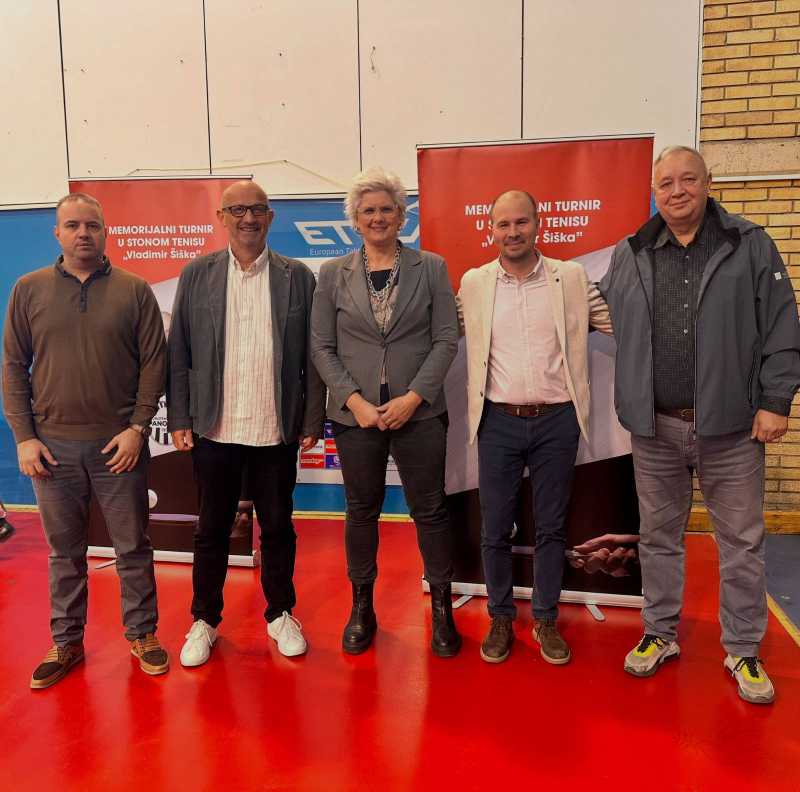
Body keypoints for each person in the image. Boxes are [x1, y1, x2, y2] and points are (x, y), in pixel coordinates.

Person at [600, 145, 800, 705]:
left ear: (708, 182)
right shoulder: (631, 251)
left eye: (688, 179)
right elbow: (611, 321)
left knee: (741, 544)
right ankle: (660, 633)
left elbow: (782, 325)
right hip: (655, 429)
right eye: (666, 183)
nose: (677, 191)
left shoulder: (749, 244)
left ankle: (743, 648)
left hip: (732, 430)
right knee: (658, 539)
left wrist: (776, 400)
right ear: (654, 191)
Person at [3, 192, 169, 688]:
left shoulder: (134, 290)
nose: (83, 233)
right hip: (51, 451)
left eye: (92, 225)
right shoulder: (28, 290)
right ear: (57, 233)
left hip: (119, 449)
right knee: (64, 553)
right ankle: (66, 641)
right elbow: (13, 366)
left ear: (104, 231)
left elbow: (154, 364)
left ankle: (142, 634)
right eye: (73, 225)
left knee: (132, 547)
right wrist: (24, 438)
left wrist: (137, 428)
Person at [167, 180, 325, 666]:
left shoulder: (298, 277)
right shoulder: (197, 274)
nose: (248, 218)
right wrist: (180, 415)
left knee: (278, 527)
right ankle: (204, 619)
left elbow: (314, 355)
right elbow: (180, 352)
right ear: (221, 217)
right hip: (215, 427)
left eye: (257, 209)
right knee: (212, 529)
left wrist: (311, 416)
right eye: (237, 210)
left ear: (271, 217)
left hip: (275, 428)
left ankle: (280, 613)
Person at [310, 167, 461, 657]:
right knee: (361, 511)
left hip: (419, 413)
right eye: (368, 210)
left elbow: (446, 338)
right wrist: (354, 401)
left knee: (430, 510)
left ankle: (442, 609)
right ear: (355, 220)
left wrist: (413, 397)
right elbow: (321, 346)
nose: (378, 217)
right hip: (356, 417)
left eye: (387, 209)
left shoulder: (431, 267)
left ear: (401, 216)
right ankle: (362, 608)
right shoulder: (332, 274)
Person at [457, 190, 612, 665]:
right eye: (503, 224)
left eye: (521, 222)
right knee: (495, 528)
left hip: (558, 421)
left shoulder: (572, 278)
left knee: (552, 526)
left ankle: (545, 618)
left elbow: (617, 324)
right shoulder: (474, 283)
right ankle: (501, 617)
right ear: (491, 230)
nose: (513, 232)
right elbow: (441, 335)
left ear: (538, 224)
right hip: (497, 422)